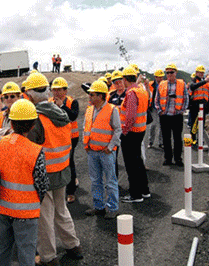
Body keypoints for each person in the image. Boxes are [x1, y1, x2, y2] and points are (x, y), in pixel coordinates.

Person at [19, 71, 81, 264]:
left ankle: (48, 257)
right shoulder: (61, 112)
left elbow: (28, 148)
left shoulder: (37, 118)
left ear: (29, 95)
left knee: (45, 217)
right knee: (61, 211)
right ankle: (73, 246)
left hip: (43, 175)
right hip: (62, 172)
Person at [0, 99, 49, 266]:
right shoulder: (36, 151)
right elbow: (42, 184)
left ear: (11, 123)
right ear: (32, 125)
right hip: (26, 212)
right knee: (26, 253)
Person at [81, 79, 122, 219]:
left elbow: (118, 130)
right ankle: (99, 206)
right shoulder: (89, 110)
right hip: (92, 151)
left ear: (101, 96)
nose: (89, 97)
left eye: (92, 94)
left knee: (110, 181)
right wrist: (86, 145)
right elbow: (85, 128)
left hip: (106, 153)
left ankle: (112, 208)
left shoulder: (112, 110)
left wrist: (110, 147)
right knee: (95, 181)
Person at [116, 65, 153, 203]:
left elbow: (130, 117)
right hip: (140, 130)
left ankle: (135, 194)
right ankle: (145, 190)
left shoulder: (131, 93)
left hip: (131, 133)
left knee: (131, 165)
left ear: (125, 79)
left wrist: (124, 132)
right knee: (138, 162)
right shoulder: (141, 91)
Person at [50, 77, 82, 204]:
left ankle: (71, 192)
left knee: (69, 163)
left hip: (71, 138)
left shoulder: (72, 102)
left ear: (65, 90)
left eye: (59, 90)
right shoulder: (49, 102)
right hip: (55, 138)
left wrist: (62, 106)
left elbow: (73, 116)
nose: (56, 93)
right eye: (54, 90)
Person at [155, 64, 190, 165]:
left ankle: (178, 158)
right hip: (165, 116)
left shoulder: (181, 84)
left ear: (176, 73)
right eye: (168, 72)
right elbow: (156, 99)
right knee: (166, 139)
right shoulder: (162, 84)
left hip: (176, 115)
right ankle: (168, 159)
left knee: (177, 138)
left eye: (171, 72)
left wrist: (182, 110)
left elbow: (186, 98)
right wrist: (159, 111)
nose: (169, 74)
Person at [188, 66, 209, 130]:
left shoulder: (206, 81)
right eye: (200, 72)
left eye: (202, 73)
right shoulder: (194, 80)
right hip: (195, 105)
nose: (201, 74)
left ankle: (200, 138)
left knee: (201, 124)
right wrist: (204, 81)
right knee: (193, 124)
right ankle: (193, 138)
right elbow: (192, 86)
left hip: (204, 105)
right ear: (196, 73)